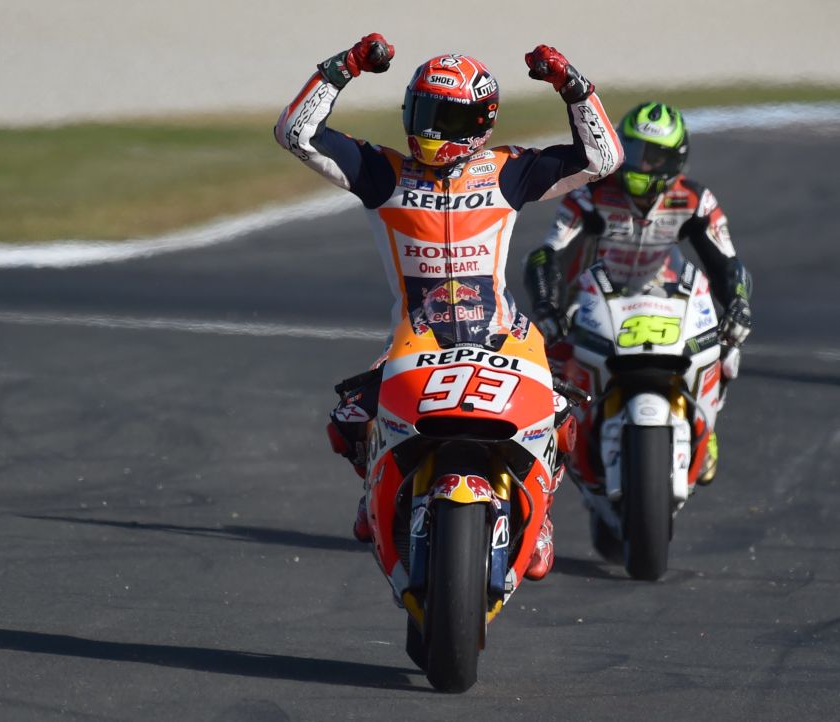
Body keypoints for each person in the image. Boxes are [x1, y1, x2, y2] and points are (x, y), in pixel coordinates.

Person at [274, 34, 623, 580]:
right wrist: (344, 67)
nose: (432, 131)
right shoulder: (382, 172)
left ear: (481, 124)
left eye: (448, 118)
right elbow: (295, 133)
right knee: (348, 422)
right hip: (417, 337)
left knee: (559, 413)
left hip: (501, 333)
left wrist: (572, 86)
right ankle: (377, 487)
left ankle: (541, 516)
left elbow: (604, 158)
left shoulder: (508, 171)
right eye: (424, 113)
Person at [523, 101, 752, 483]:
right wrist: (548, 304)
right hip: (594, 302)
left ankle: (705, 427)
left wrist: (739, 304)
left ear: (673, 160)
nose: (637, 163)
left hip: (669, 300)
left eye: (650, 155)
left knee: (728, 348)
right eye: (629, 148)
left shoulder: (696, 200)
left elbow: (727, 263)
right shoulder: (590, 195)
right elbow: (549, 254)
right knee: (545, 361)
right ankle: (554, 448)